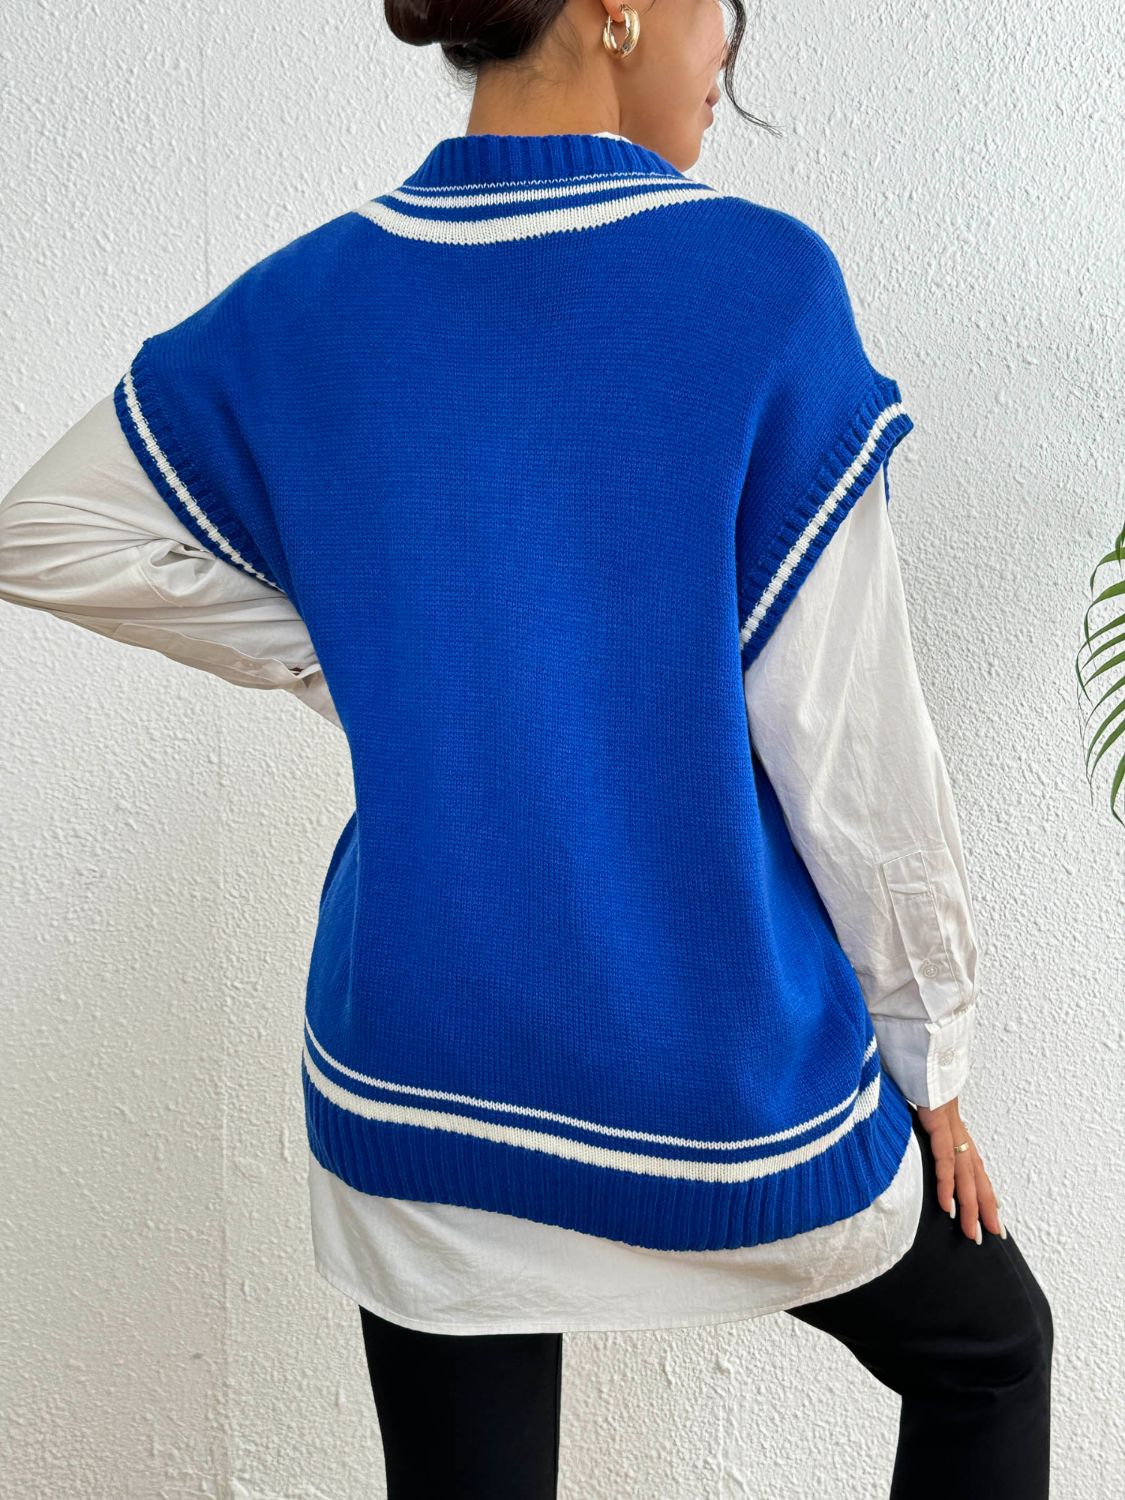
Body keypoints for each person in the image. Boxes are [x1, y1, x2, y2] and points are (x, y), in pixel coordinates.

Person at [0, 0, 1053, 1494]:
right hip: (710, 1087)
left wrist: (371, 660)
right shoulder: (759, 288)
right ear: (618, 7)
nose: (727, 46)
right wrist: (929, 1052)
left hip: (417, 1067)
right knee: (989, 1349)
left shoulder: (313, 300)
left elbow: (46, 532)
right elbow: (851, 744)